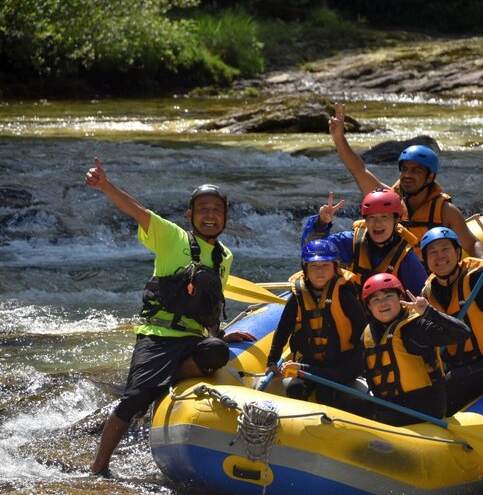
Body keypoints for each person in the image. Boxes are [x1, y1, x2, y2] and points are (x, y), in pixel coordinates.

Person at [85, 158, 256, 476]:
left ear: (225, 218)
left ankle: (170, 374)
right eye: (203, 209)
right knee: (135, 397)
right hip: (158, 335)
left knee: (217, 351)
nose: (210, 215)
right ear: (190, 215)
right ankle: (98, 467)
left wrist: (220, 332)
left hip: (191, 339)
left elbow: (212, 302)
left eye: (216, 210)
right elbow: (136, 209)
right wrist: (105, 186)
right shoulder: (172, 237)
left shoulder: (224, 256)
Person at [328, 102, 483, 260]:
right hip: (394, 281)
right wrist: (339, 138)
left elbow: (473, 244)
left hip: (432, 281)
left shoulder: (446, 211)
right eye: (404, 169)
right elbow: (359, 170)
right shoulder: (387, 200)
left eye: (416, 171)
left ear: (430, 177)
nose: (407, 175)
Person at [419, 218, 483, 415]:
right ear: (426, 260)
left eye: (445, 249)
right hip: (461, 364)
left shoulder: (477, 277)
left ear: (458, 253)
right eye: (432, 252)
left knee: (451, 383)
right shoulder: (427, 293)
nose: (439, 256)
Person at [349, 273, 470, 426]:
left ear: (400, 298)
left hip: (425, 406)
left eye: (388, 297)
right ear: (369, 307)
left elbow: (463, 333)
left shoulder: (416, 326)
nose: (383, 303)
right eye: (376, 299)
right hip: (391, 403)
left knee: (373, 419)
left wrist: (429, 312)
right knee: (348, 406)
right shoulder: (367, 335)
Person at [265, 239, 367, 404]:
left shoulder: (345, 296)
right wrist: (272, 361)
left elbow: (363, 330)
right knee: (294, 388)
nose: (319, 271)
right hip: (311, 359)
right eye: (314, 266)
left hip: (342, 360)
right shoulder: (297, 297)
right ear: (305, 269)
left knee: (326, 393)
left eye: (325, 266)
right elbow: (283, 329)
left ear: (335, 268)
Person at [300, 188, 427, 295]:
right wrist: (320, 224)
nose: (377, 223)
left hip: (385, 318)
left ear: (396, 220)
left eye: (384, 217)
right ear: (365, 220)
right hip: (352, 313)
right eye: (371, 217)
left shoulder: (407, 258)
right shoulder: (351, 242)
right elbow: (310, 252)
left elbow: (421, 298)